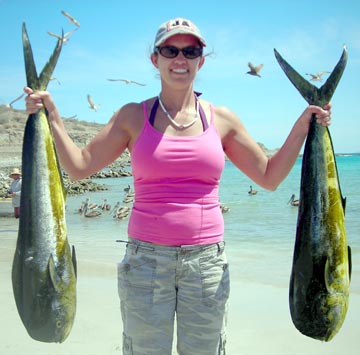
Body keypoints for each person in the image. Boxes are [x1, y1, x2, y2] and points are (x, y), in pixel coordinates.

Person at [24, 17, 332, 355]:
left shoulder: (222, 119)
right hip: (145, 261)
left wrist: (303, 128)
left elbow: (270, 177)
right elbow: (80, 166)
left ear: (202, 59)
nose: (180, 59)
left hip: (206, 264)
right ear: (155, 59)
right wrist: (51, 116)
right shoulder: (132, 116)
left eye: (191, 50)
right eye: (170, 50)